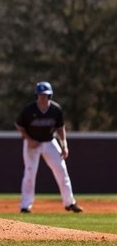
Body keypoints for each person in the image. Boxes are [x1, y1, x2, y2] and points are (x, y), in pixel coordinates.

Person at [15, 81, 83, 213]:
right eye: (40, 95)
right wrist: (29, 140)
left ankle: (70, 202)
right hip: (33, 143)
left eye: (45, 95)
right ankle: (25, 205)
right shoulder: (29, 110)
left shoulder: (55, 110)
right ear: (36, 96)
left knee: (62, 170)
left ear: (50, 96)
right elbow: (19, 126)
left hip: (50, 141)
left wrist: (64, 145)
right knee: (30, 173)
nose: (42, 98)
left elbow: (60, 128)